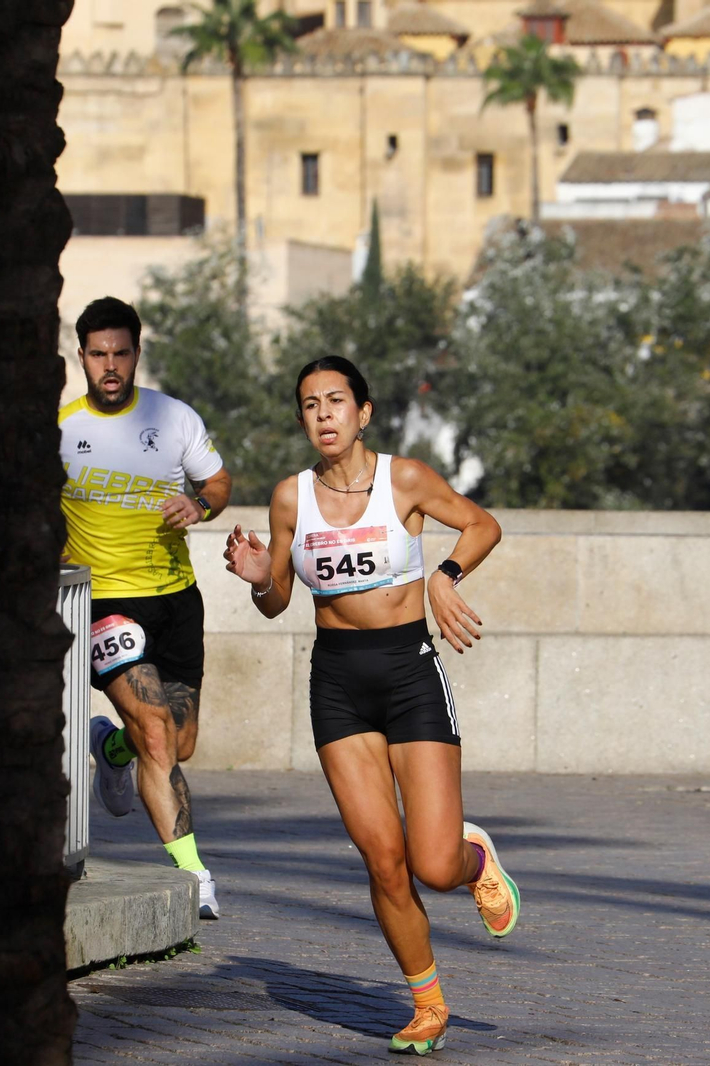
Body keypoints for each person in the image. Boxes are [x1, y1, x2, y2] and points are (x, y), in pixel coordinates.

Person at [223, 356, 519, 1056]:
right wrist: (262, 576)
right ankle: (427, 1004)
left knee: (433, 865)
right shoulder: (290, 498)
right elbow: (277, 604)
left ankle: (474, 862)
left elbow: (482, 526)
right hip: (338, 683)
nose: (322, 414)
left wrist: (445, 575)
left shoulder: (405, 480)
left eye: (335, 401)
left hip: (410, 673)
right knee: (383, 860)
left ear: (363, 412)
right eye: (309, 404)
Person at [60, 296, 232, 917]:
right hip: (104, 602)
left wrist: (200, 505)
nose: (110, 365)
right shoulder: (59, 426)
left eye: (121, 353)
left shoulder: (173, 417)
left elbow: (216, 482)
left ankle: (110, 748)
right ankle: (194, 874)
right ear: (81, 356)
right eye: (99, 354)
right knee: (157, 735)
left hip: (176, 600)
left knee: (179, 742)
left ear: (137, 354)